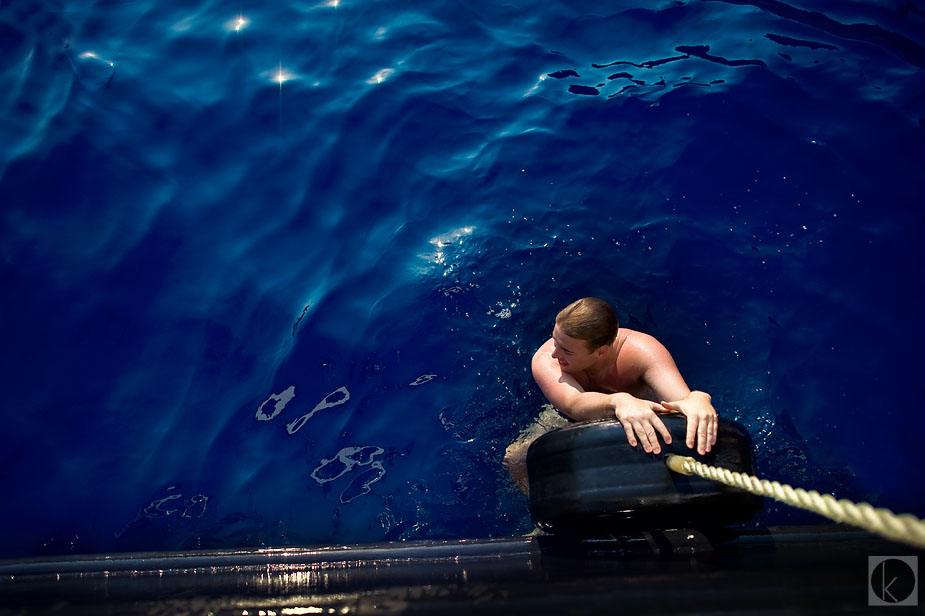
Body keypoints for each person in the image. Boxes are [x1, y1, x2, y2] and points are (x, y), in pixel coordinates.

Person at [504, 297, 718, 495]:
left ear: (601, 352)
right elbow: (573, 404)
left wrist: (698, 399)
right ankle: (555, 510)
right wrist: (619, 400)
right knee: (517, 458)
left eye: (567, 351)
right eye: (555, 341)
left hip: (643, 416)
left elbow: (681, 401)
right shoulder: (545, 360)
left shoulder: (642, 350)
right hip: (576, 418)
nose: (554, 353)